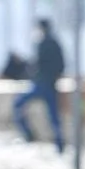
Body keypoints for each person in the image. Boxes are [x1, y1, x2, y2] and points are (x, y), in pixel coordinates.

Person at [12, 18, 66, 153]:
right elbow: (61, 65)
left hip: (42, 84)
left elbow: (38, 65)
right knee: (54, 116)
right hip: (50, 84)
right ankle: (59, 144)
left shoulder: (44, 44)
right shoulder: (54, 43)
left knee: (18, 104)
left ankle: (29, 135)